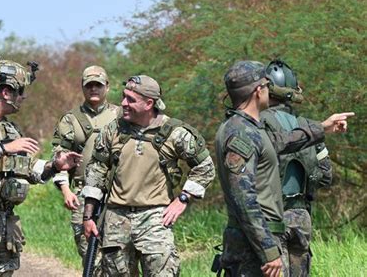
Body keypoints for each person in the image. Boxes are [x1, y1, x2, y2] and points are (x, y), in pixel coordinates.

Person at [214, 60, 353, 277]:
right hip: (257, 244)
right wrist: (269, 250)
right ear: (258, 91)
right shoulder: (241, 133)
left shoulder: (251, 128)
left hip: (264, 237)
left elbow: (280, 142)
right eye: (267, 86)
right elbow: (244, 198)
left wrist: (322, 128)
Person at [0, 56, 81, 276]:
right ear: (6, 93)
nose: (23, 97)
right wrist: (3, 149)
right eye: (20, 91)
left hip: (5, 224)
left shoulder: (9, 129)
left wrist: (55, 165)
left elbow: (26, 169)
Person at [82, 75, 215, 276]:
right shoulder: (113, 130)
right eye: (124, 97)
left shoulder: (175, 133)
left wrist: (183, 199)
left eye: (131, 100)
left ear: (149, 103)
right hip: (116, 218)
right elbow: (97, 169)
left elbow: (205, 167)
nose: (123, 103)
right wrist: (88, 216)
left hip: (156, 219)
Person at [260, 59, 333, 276]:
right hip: (302, 216)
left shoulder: (256, 122)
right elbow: (326, 176)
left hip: (270, 216)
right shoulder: (311, 127)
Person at [51, 65, 119, 274]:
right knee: (91, 256)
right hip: (81, 194)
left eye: (98, 85)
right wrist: (66, 190)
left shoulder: (122, 115)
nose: (93, 89)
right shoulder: (71, 119)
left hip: (116, 195)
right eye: (89, 85)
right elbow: (59, 157)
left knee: (119, 259)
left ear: (107, 86)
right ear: (82, 88)